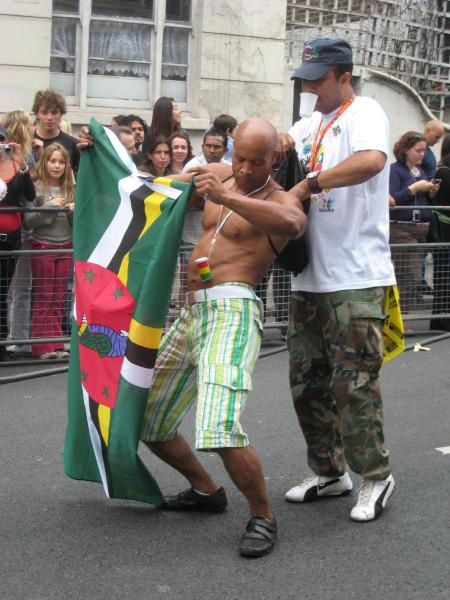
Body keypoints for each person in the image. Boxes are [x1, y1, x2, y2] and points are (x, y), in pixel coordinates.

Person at [139, 118, 307, 557]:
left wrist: (227, 194)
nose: (247, 169)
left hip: (233, 309)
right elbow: (151, 186)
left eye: (257, 161)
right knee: (147, 418)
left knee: (217, 426)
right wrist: (96, 156)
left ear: (274, 158)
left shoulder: (277, 196)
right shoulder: (218, 175)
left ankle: (263, 515)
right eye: (241, 158)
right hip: (191, 311)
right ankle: (205, 490)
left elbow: (293, 223)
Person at [278, 38, 397, 522]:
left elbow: (372, 160)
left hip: (355, 275)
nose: (309, 85)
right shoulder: (306, 124)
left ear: (343, 75)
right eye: (305, 77)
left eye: (318, 77)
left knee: (354, 385)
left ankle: (375, 476)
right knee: (307, 384)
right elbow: (261, 165)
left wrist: (310, 183)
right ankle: (329, 473)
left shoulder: (364, 111)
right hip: (308, 275)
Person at [23, 143, 74, 359]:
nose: (57, 166)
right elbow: (28, 221)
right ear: (45, 162)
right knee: (44, 296)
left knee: (58, 296)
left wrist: (73, 211)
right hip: (42, 246)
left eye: (61, 162)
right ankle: (42, 346)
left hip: (66, 245)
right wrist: (50, 207)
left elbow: (77, 222)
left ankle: (57, 343)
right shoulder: (36, 187)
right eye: (53, 161)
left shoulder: (71, 189)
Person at [389, 131, 439, 314]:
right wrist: (414, 188)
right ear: (406, 150)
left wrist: (431, 192)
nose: (422, 154)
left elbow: (425, 202)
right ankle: (398, 318)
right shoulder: (395, 170)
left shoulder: (422, 172)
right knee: (411, 275)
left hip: (421, 229)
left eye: (424, 151)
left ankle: (401, 316)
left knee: (408, 275)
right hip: (402, 227)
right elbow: (392, 199)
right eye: (418, 150)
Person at [2, 109, 38, 355]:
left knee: (3, 290)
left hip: (10, 238)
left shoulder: (16, 163)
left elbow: (30, 196)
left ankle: (2, 344)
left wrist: (22, 164)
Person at [429, 133, 450, 331]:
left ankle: (442, 317)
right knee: (444, 274)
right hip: (444, 227)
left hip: (444, 226)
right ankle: (441, 319)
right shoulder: (444, 172)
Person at [32, 89, 80, 173]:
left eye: (54, 113)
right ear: (37, 114)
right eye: (44, 113)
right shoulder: (27, 141)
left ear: (61, 114)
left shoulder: (73, 144)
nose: (49, 117)